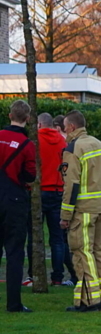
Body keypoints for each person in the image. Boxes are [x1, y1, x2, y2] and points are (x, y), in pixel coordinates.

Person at [60, 110, 101, 312]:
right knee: (100, 251)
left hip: (84, 210)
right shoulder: (100, 145)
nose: (65, 132)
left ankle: (89, 300)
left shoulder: (73, 148)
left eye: (65, 128)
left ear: (72, 127)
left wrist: (65, 216)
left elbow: (71, 185)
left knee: (83, 253)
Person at [0, 100, 36, 313]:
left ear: (9, 115)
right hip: (14, 200)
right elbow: (30, 175)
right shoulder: (27, 144)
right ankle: (13, 303)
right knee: (14, 252)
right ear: (28, 118)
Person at [38, 112, 76, 287]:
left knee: (35, 236)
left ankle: (34, 275)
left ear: (39, 124)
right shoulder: (62, 141)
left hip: (40, 191)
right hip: (58, 191)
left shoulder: (35, 140)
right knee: (58, 239)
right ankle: (57, 277)